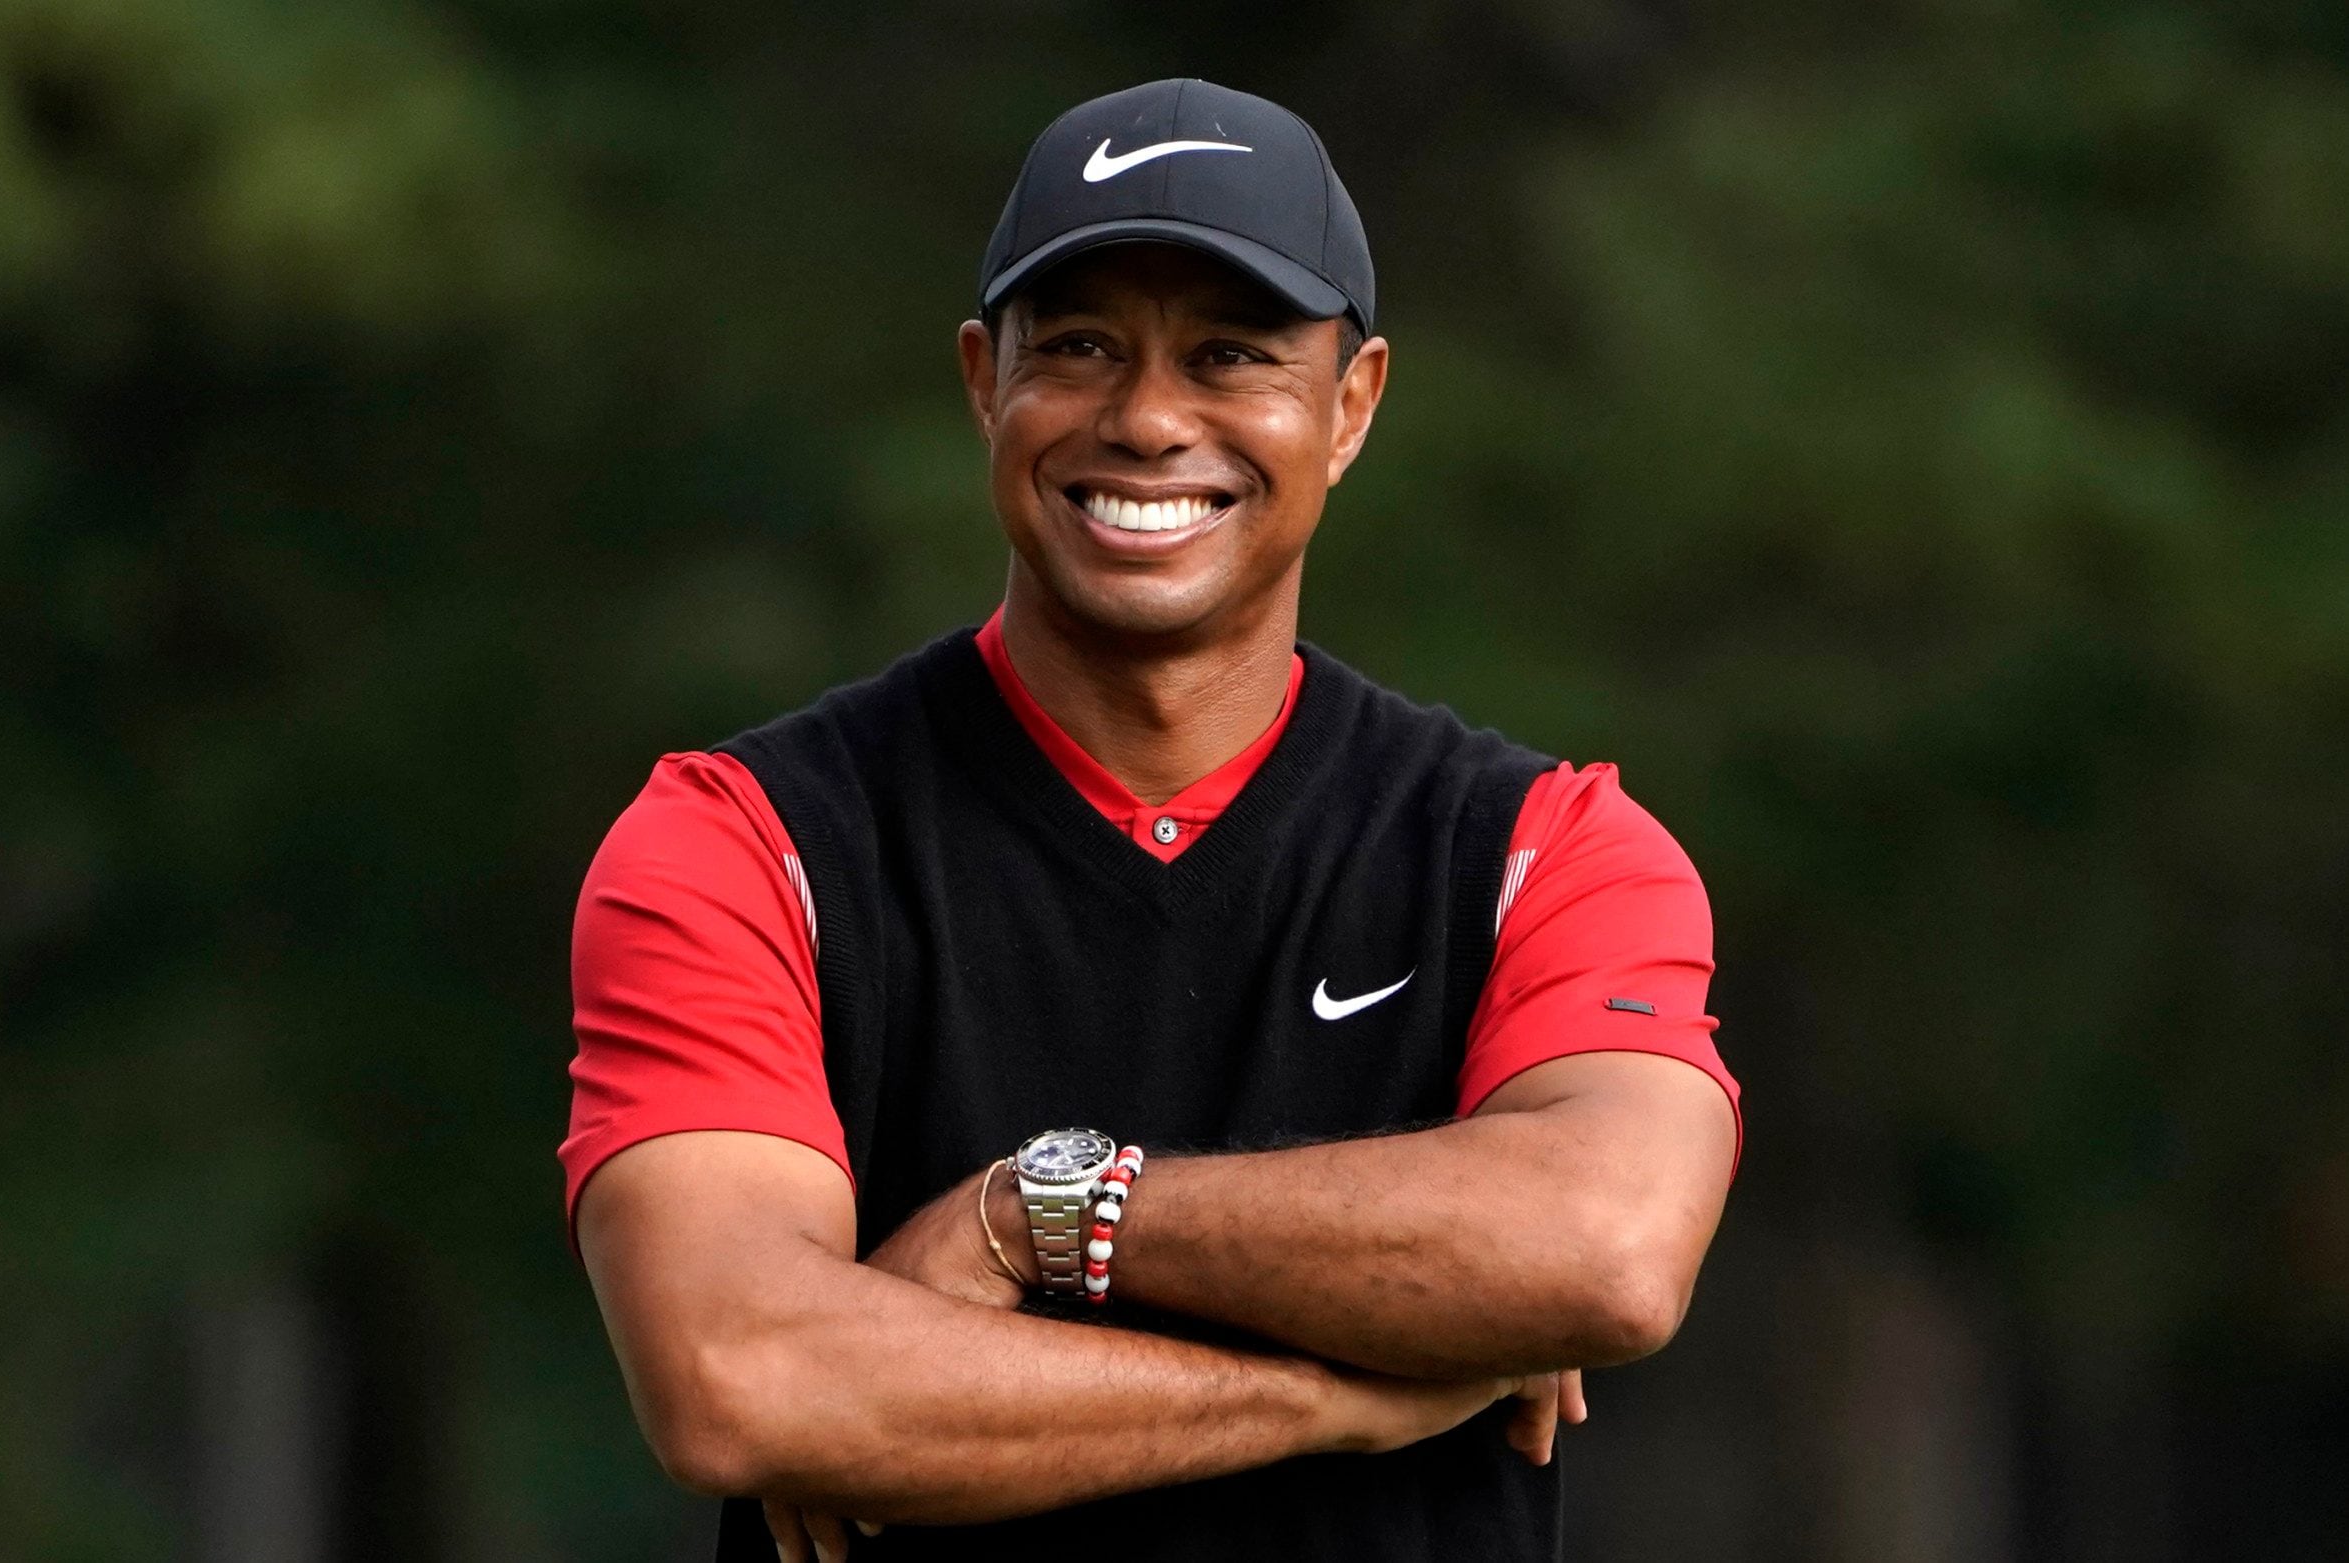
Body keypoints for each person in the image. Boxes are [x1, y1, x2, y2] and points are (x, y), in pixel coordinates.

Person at [560, 78, 1740, 1563]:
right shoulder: (744, 842)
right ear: (984, 381)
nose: (1148, 420)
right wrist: (1337, 1396)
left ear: (1352, 405)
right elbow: (745, 1378)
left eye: (1231, 354)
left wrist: (1040, 1216)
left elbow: (1607, 1250)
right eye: (1079, 348)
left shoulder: (1545, 850)